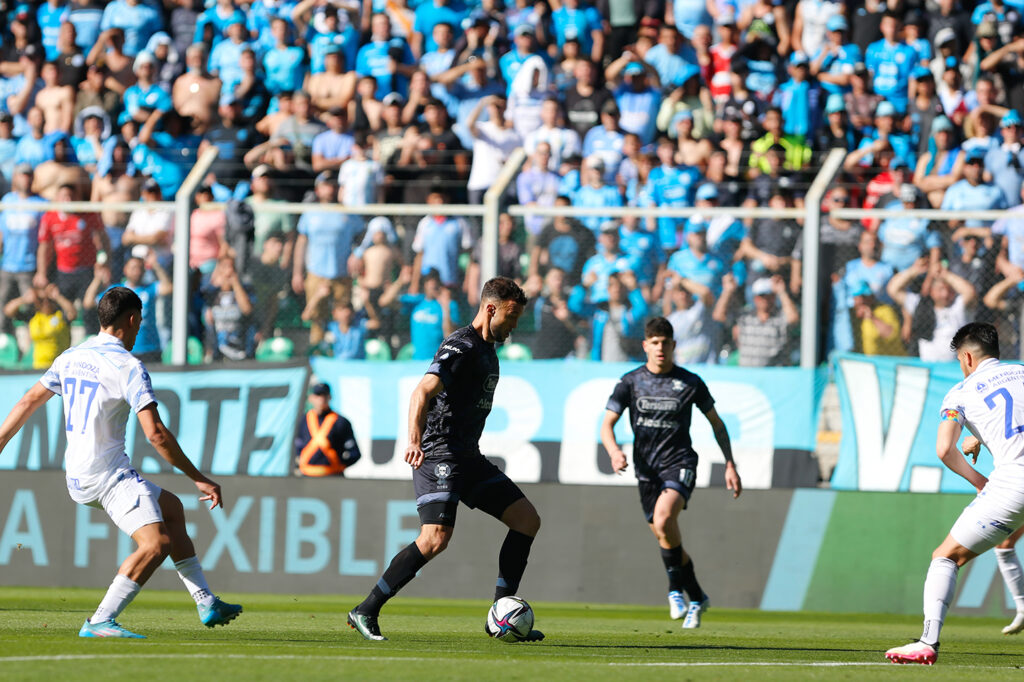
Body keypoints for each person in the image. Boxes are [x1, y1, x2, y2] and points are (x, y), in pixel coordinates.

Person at [0, 286, 242, 638]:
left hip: (79, 475)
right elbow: (156, 434)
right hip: (107, 476)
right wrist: (198, 478)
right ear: (131, 320)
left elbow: (27, 401)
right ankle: (99, 620)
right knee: (156, 544)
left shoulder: (71, 356)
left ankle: (206, 600)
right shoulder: (128, 366)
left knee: (171, 510)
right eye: (139, 322)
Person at [347, 277, 543, 642]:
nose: (514, 326)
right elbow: (422, 390)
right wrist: (414, 439)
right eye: (511, 317)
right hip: (439, 452)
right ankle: (366, 609)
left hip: (468, 456)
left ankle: (498, 615)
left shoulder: (489, 350)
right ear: (490, 309)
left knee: (526, 520)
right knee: (435, 538)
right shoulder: (462, 345)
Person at [884, 323, 1024, 664]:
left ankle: (927, 642)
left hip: (1014, 484)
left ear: (966, 357)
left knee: (946, 556)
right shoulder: (1021, 372)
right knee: (1004, 546)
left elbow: (944, 450)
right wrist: (981, 434)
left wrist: (980, 481)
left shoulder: (961, 392)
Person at [600, 317, 742, 629]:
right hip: (646, 471)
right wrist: (614, 451)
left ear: (674, 345)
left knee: (664, 520)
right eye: (654, 342)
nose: (660, 348)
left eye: (665, 342)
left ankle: (675, 590)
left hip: (680, 464)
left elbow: (717, 424)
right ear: (645, 346)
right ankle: (698, 596)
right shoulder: (630, 382)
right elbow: (606, 424)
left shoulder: (690, 382)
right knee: (666, 535)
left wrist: (730, 463)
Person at [295, 382, 362, 477]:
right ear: (311, 398)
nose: (321, 399)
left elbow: (355, 453)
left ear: (329, 397)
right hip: (307, 475)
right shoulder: (303, 420)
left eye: (324, 395)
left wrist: (340, 466)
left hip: (332, 476)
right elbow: (297, 445)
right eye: (318, 395)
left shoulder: (341, 422)